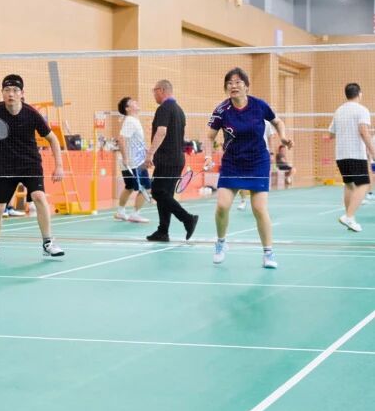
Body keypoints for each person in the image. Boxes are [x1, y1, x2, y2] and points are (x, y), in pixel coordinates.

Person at [0, 74, 65, 259]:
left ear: (22, 93)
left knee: (39, 197)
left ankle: (48, 242)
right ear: (2, 92)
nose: (11, 94)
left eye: (15, 90)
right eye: (7, 90)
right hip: (6, 167)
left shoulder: (32, 114)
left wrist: (59, 166)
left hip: (30, 164)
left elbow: (53, 139)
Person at [205, 67, 292, 268]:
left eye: (238, 82)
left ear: (246, 86)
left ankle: (268, 253)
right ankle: (220, 243)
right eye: (229, 83)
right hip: (232, 162)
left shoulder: (259, 105)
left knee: (259, 208)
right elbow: (209, 136)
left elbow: (278, 122)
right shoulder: (221, 110)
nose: (233, 86)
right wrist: (208, 155)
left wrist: (283, 137)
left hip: (257, 161)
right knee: (222, 206)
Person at [144, 80, 198, 242]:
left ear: (161, 90)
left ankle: (187, 219)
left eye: (154, 91)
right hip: (177, 159)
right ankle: (163, 231)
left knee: (157, 192)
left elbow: (161, 131)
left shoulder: (164, 108)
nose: (153, 94)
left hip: (167, 159)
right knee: (165, 195)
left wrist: (150, 153)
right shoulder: (179, 110)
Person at [329, 82, 375, 233]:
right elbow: (364, 131)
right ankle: (349, 216)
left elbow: (331, 134)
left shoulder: (339, 111)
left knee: (349, 185)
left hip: (341, 155)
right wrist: (373, 151)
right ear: (359, 94)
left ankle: (350, 219)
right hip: (355, 155)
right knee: (364, 184)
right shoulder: (362, 110)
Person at [113, 96, 150, 224]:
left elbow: (132, 140)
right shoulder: (130, 121)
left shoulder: (133, 120)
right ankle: (135, 214)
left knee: (129, 187)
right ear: (127, 108)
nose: (136, 102)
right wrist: (125, 158)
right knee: (146, 188)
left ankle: (121, 211)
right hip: (134, 163)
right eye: (132, 102)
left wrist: (145, 150)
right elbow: (121, 139)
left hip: (133, 161)